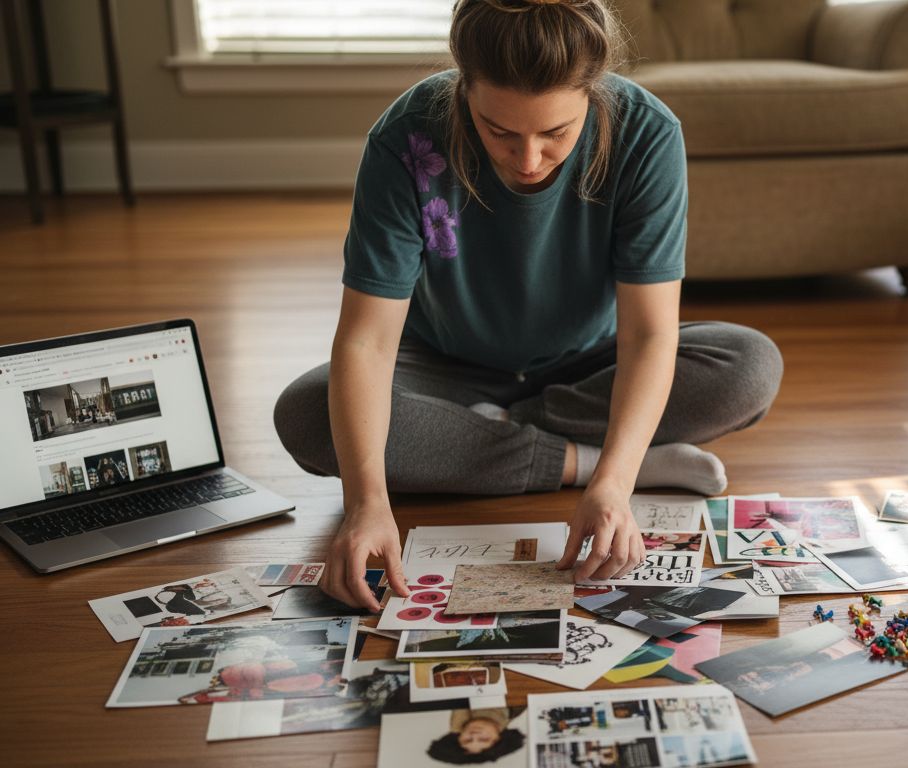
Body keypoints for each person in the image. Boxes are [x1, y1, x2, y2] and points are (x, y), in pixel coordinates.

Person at [273, 0, 783, 612]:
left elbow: (649, 335)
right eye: (500, 132)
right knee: (307, 415)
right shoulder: (405, 137)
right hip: (444, 363)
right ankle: (582, 458)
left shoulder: (647, 132)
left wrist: (614, 487)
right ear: (464, 89)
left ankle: (484, 437)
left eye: (556, 134)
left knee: (750, 366)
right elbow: (367, 341)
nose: (529, 160)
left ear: (593, 93)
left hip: (590, 363)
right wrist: (366, 503)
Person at [426, 707, 527, 764]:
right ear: (499, 737)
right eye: (484, 739)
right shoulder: (519, 705)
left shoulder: (449, 704)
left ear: (459, 736)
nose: (474, 734)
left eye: (467, 740)